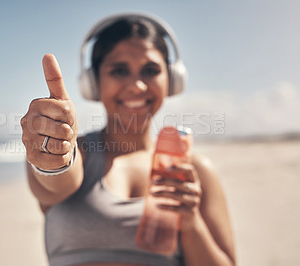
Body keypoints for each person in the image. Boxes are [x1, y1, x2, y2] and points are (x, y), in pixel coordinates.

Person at [21, 13, 236, 266]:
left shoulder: (196, 171)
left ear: (172, 80)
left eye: (150, 71)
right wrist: (54, 159)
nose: (137, 86)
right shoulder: (67, 150)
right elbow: (54, 181)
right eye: (120, 70)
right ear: (93, 83)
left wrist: (191, 224)